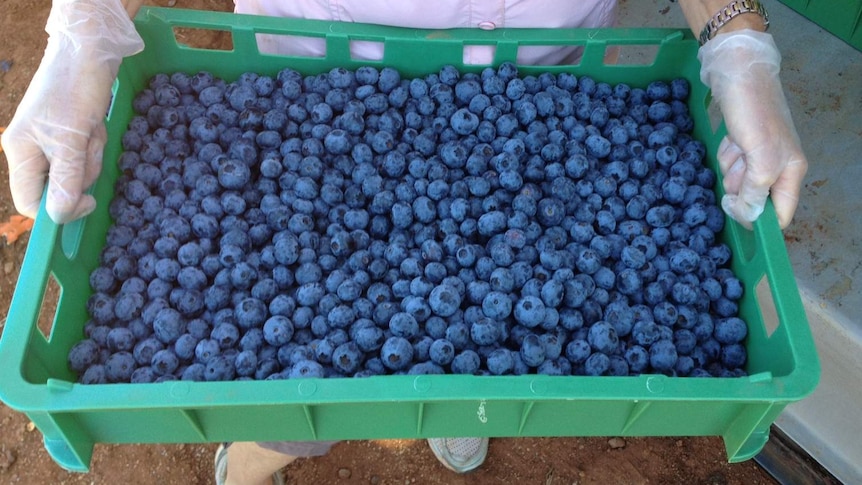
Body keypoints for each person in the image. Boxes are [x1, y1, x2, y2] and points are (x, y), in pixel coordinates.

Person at [0, 1, 808, 484]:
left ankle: (461, 392)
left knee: (465, 345)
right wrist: (83, 25)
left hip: (537, 70)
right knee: (303, 368)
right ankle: (274, 439)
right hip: (311, 72)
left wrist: (734, 33)